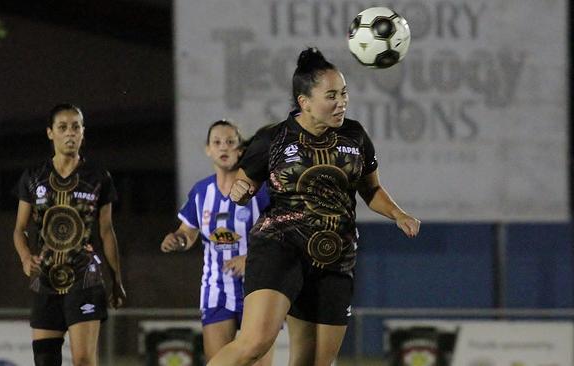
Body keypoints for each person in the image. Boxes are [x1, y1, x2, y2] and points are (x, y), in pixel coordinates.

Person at [208, 48, 421, 366]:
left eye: (344, 93)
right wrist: (240, 193)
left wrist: (397, 213)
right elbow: (242, 188)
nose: (341, 102)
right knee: (255, 342)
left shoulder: (355, 135)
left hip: (335, 256)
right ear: (304, 101)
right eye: (331, 95)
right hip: (280, 247)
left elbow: (371, 189)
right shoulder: (273, 138)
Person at [13, 103, 126, 366]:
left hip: (85, 278)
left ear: (83, 132)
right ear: (50, 133)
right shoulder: (33, 176)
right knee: (44, 359)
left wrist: (116, 279)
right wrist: (25, 257)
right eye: (63, 127)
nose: (70, 133)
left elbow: (107, 232)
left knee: (84, 360)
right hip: (46, 278)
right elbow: (19, 229)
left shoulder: (98, 176)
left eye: (76, 127)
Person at [160, 120, 274, 364]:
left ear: (241, 150)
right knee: (218, 361)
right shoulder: (202, 192)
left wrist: (251, 258)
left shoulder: (259, 190)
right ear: (208, 150)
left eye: (230, 142)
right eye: (217, 142)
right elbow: (188, 232)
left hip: (258, 287)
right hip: (217, 288)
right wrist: (177, 240)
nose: (224, 147)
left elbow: (278, 232)